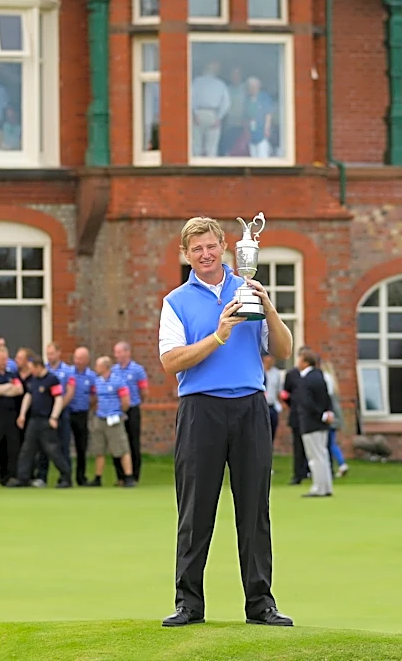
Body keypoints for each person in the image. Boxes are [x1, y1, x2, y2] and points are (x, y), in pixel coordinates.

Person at [158, 216, 293, 628]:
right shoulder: (176, 301)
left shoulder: (247, 290)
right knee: (196, 509)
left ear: (225, 247)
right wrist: (217, 335)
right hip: (201, 410)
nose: (205, 254)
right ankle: (189, 604)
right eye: (196, 249)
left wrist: (267, 305)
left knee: (254, 508)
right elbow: (170, 361)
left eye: (211, 246)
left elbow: (284, 350)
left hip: (250, 406)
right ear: (187, 255)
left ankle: (261, 604)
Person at [10, 354, 72, 488]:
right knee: (27, 450)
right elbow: (28, 396)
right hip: (34, 420)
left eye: (32, 368)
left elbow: (58, 399)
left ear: (39, 367)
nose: (31, 371)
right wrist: (22, 414)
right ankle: (23, 477)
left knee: (53, 450)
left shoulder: (52, 380)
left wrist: (54, 417)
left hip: (46, 421)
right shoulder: (34, 380)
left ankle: (66, 476)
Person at [87, 357, 136, 488]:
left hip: (114, 419)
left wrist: (118, 412)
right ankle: (97, 477)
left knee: (122, 448)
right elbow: (93, 399)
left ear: (105, 367)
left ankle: (128, 477)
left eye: (98, 366)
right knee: (99, 449)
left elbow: (126, 401)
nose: (96, 368)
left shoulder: (118, 381)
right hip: (100, 418)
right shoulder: (96, 382)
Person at [297, 349, 335, 498]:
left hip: (311, 423)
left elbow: (307, 402)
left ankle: (318, 487)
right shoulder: (320, 375)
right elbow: (327, 398)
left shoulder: (305, 380)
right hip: (322, 422)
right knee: (323, 454)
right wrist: (327, 414)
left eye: (300, 359)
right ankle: (326, 486)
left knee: (314, 457)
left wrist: (320, 415)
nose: (298, 362)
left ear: (306, 362)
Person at [0, 346, 24, 485]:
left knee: (12, 446)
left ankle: (10, 476)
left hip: (11, 414)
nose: (4, 362)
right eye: (1, 359)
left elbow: (19, 390)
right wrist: (8, 387)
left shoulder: (12, 374)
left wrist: (3, 389)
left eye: (6, 359)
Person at [36, 342, 73, 485]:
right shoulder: (44, 370)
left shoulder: (68, 371)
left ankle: (65, 478)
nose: (50, 357)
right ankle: (42, 477)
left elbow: (70, 392)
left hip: (61, 414)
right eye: (48, 354)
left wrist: (56, 411)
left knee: (63, 446)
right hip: (46, 415)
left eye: (52, 353)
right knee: (44, 447)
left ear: (59, 353)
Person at [111, 341, 149, 484]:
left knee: (133, 442)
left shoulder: (137, 370)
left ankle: (134, 475)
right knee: (117, 442)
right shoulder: (114, 370)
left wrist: (136, 402)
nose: (117, 355)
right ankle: (120, 476)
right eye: (116, 352)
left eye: (119, 352)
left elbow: (144, 391)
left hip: (132, 409)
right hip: (117, 410)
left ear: (127, 352)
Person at [67, 347, 97, 486]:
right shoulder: (68, 373)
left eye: (81, 359)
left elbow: (94, 396)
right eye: (76, 358)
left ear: (87, 360)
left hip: (82, 414)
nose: (78, 361)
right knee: (65, 446)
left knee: (81, 447)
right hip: (68, 413)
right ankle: (66, 476)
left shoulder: (91, 376)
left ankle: (81, 477)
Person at [281, 346, 310, 485]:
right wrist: (291, 404)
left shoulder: (313, 375)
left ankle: (311, 472)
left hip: (310, 416)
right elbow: (285, 393)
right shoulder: (291, 374)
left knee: (313, 446)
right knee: (298, 447)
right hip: (296, 415)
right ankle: (298, 474)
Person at [321, 359, 348, 478]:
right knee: (331, 442)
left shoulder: (325, 378)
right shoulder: (333, 380)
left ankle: (341, 464)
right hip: (335, 415)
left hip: (330, 416)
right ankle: (340, 464)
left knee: (330, 444)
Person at [262, 353, 283, 444]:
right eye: (268, 357)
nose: (270, 360)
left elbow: (279, 390)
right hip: (261, 406)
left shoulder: (276, 373)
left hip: (272, 406)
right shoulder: (259, 371)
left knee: (272, 431)